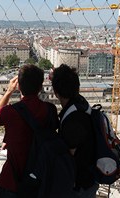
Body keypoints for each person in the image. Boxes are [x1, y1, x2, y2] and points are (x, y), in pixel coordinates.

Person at [0, 64, 59, 197]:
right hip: (39, 180)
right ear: (40, 87)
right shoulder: (50, 110)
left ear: (19, 86)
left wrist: (9, 92)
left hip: (11, 182)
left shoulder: (10, 111)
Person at [51, 64, 99, 198]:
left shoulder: (74, 117)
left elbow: (68, 156)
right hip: (87, 181)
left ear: (56, 92)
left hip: (79, 185)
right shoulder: (81, 105)